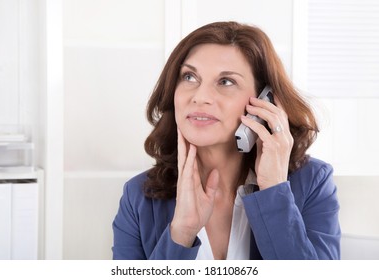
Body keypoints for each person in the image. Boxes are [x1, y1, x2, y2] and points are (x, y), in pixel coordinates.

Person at [112, 21, 341, 260]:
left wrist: (274, 191)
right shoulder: (138, 197)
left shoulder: (313, 182)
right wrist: (181, 232)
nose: (200, 97)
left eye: (226, 81)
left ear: (265, 102)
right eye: (189, 77)